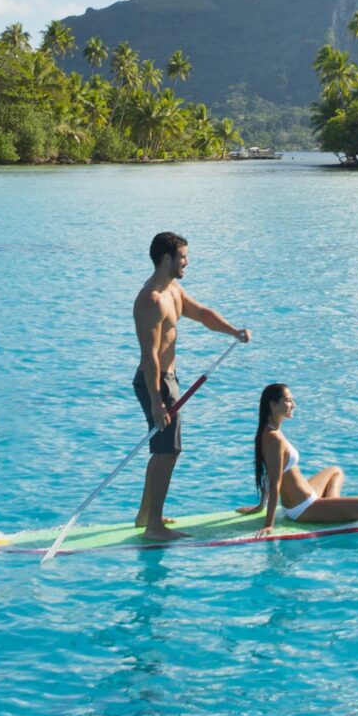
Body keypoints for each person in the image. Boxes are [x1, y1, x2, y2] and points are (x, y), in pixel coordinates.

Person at [132, 230, 250, 541]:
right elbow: (150, 355)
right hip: (156, 382)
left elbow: (202, 314)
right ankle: (154, 526)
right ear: (166, 258)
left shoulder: (173, 291)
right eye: (183, 257)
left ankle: (146, 515)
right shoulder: (151, 300)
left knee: (162, 450)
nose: (187, 262)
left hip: (166, 381)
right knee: (168, 451)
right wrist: (158, 401)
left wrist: (233, 331)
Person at [253, 382, 358, 529]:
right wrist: (269, 525)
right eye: (288, 401)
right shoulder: (273, 437)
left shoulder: (272, 431)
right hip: (303, 508)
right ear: (273, 405)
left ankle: (332, 504)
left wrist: (261, 506)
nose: (293, 405)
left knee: (335, 471)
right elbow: (275, 482)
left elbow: (268, 472)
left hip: (306, 496)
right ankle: (333, 507)